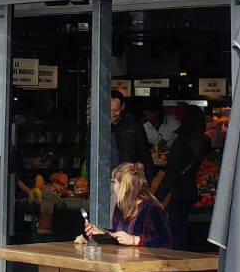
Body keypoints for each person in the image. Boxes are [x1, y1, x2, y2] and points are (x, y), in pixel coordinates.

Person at [86, 161, 171, 248]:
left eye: (114, 182)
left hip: (145, 260)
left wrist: (134, 240)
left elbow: (165, 240)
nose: (112, 186)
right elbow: (117, 234)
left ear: (124, 186)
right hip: (123, 258)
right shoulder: (120, 207)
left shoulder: (151, 208)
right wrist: (102, 233)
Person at [157, 105, 208, 247]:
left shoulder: (181, 144)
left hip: (178, 195)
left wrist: (156, 198)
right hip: (191, 193)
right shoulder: (202, 143)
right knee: (186, 235)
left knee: (178, 235)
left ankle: (181, 267)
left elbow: (170, 176)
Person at [107, 89, 149, 172]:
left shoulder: (134, 126)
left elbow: (145, 155)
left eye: (116, 110)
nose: (112, 114)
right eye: (109, 110)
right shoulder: (97, 126)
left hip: (130, 177)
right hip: (105, 176)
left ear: (122, 106)